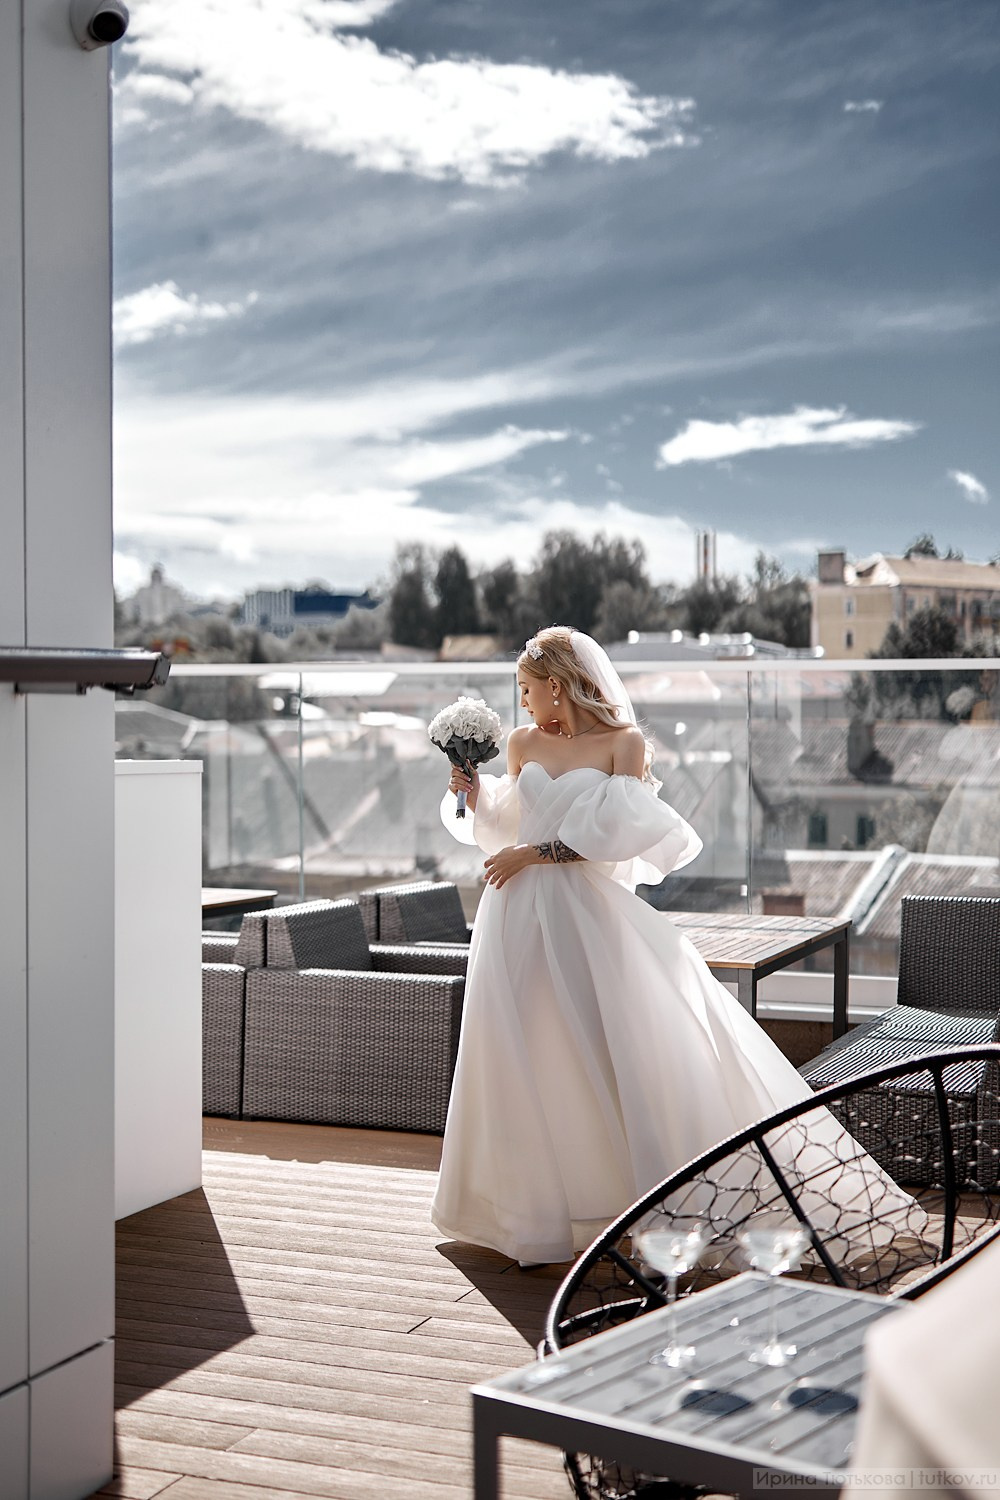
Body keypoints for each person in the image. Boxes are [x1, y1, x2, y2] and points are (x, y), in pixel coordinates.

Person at [430, 626, 921, 1266]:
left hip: (582, 913)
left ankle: (624, 1202)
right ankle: (531, 1214)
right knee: (522, 1049)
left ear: (557, 685)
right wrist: (471, 794)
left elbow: (619, 833)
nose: (522, 702)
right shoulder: (523, 743)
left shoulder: (624, 744)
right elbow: (505, 823)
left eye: (527, 689)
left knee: (600, 1046)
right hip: (513, 914)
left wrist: (532, 854)